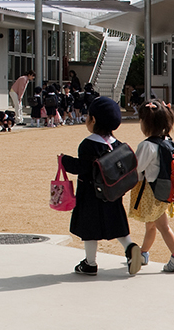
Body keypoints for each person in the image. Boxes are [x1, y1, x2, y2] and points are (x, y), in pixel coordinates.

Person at [60, 96, 144, 276]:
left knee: (89, 230)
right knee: (117, 224)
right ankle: (130, 248)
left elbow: (84, 167)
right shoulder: (118, 145)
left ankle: (90, 263)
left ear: (94, 120)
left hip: (90, 195)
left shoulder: (88, 144)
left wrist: (65, 161)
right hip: (112, 194)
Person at [128, 101, 174, 273]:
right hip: (164, 189)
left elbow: (137, 168)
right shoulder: (167, 141)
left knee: (162, 225)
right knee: (151, 225)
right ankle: (143, 253)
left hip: (151, 192)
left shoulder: (147, 145)